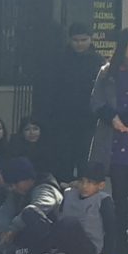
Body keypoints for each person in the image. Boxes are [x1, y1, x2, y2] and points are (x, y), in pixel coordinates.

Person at [87, 23, 128, 254]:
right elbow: (96, 102)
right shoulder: (107, 72)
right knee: (118, 197)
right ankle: (118, 245)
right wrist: (113, 118)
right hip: (114, 142)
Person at [36, 22, 104, 178]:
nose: (79, 44)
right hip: (63, 119)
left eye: (83, 40)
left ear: (91, 39)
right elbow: (50, 90)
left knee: (85, 161)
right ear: (70, 40)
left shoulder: (98, 62)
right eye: (76, 40)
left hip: (88, 120)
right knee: (63, 160)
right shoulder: (59, 60)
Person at [38, 164, 117, 254]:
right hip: (65, 245)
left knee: (69, 222)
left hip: (87, 251)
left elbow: (111, 231)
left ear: (101, 185)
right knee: (34, 215)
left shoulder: (103, 200)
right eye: (81, 181)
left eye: (90, 182)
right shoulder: (69, 194)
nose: (84, 186)